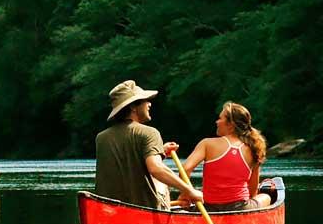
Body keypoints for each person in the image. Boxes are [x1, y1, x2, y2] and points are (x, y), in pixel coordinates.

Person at [94, 80, 203, 210]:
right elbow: (156, 168)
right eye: (145, 100)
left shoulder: (101, 138)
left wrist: (160, 151)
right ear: (133, 107)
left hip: (108, 212)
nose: (149, 104)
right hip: (142, 210)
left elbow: (127, 160)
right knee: (162, 187)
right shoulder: (149, 133)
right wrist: (189, 191)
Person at [176, 101, 273, 212]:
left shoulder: (207, 144)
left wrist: (186, 193)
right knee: (267, 197)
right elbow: (252, 190)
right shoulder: (253, 148)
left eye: (220, 118)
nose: (217, 122)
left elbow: (185, 169)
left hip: (209, 208)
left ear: (231, 125)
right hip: (240, 208)